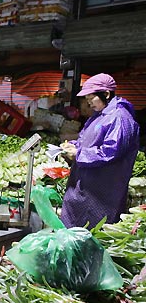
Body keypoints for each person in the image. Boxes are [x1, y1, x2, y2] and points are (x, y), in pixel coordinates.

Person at [60, 73, 140, 228]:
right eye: (87, 100)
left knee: (95, 231)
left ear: (106, 94)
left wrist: (79, 154)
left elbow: (110, 152)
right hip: (84, 186)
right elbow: (86, 139)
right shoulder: (98, 116)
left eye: (92, 98)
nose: (89, 103)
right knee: (74, 231)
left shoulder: (120, 117)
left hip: (102, 191)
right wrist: (73, 146)